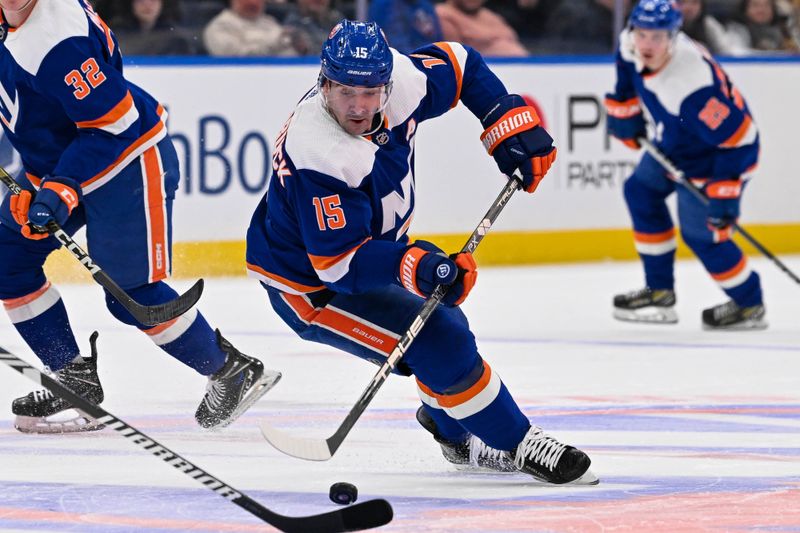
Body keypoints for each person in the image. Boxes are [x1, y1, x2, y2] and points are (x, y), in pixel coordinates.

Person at [246, 19, 596, 485]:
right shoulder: (320, 151)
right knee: (440, 337)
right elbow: (339, 267)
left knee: (442, 331)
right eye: (344, 90)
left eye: (370, 91)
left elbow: (463, 64)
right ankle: (518, 443)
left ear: (387, 84)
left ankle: (449, 431)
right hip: (309, 286)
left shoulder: (405, 83)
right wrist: (415, 264)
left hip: (367, 253)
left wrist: (503, 118)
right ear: (323, 84)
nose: (357, 105)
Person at [0, 0, 281, 433]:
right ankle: (75, 381)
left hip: (127, 158)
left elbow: (115, 123)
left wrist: (61, 187)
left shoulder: (58, 39)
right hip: (61, 163)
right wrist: (40, 182)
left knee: (129, 291)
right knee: (8, 260)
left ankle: (230, 370)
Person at [605, 0, 766, 330]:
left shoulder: (692, 86)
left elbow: (741, 139)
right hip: (677, 141)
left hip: (716, 157)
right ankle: (660, 291)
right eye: (642, 34)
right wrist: (624, 109)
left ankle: (750, 303)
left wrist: (725, 194)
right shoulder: (630, 42)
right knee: (641, 191)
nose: (647, 45)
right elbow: (626, 71)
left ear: (674, 37)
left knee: (702, 235)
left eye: (658, 37)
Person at [203, 0, 301, 56]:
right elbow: (234, 57)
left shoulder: (270, 22)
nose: (253, 3)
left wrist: (302, 49)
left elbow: (288, 53)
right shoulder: (220, 26)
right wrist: (274, 43)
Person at [435, 0, 528, 56]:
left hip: (525, 68)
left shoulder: (490, 15)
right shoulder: (443, 14)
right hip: (485, 75)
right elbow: (457, 56)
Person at [111, 0, 198, 56]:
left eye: (153, 0)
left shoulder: (176, 38)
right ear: (131, 3)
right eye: (141, 1)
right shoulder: (116, 34)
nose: (147, 5)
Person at [368, 0, 443, 54]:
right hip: (395, 64)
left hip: (426, 63)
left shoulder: (425, 6)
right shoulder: (383, 4)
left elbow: (437, 41)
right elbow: (380, 42)